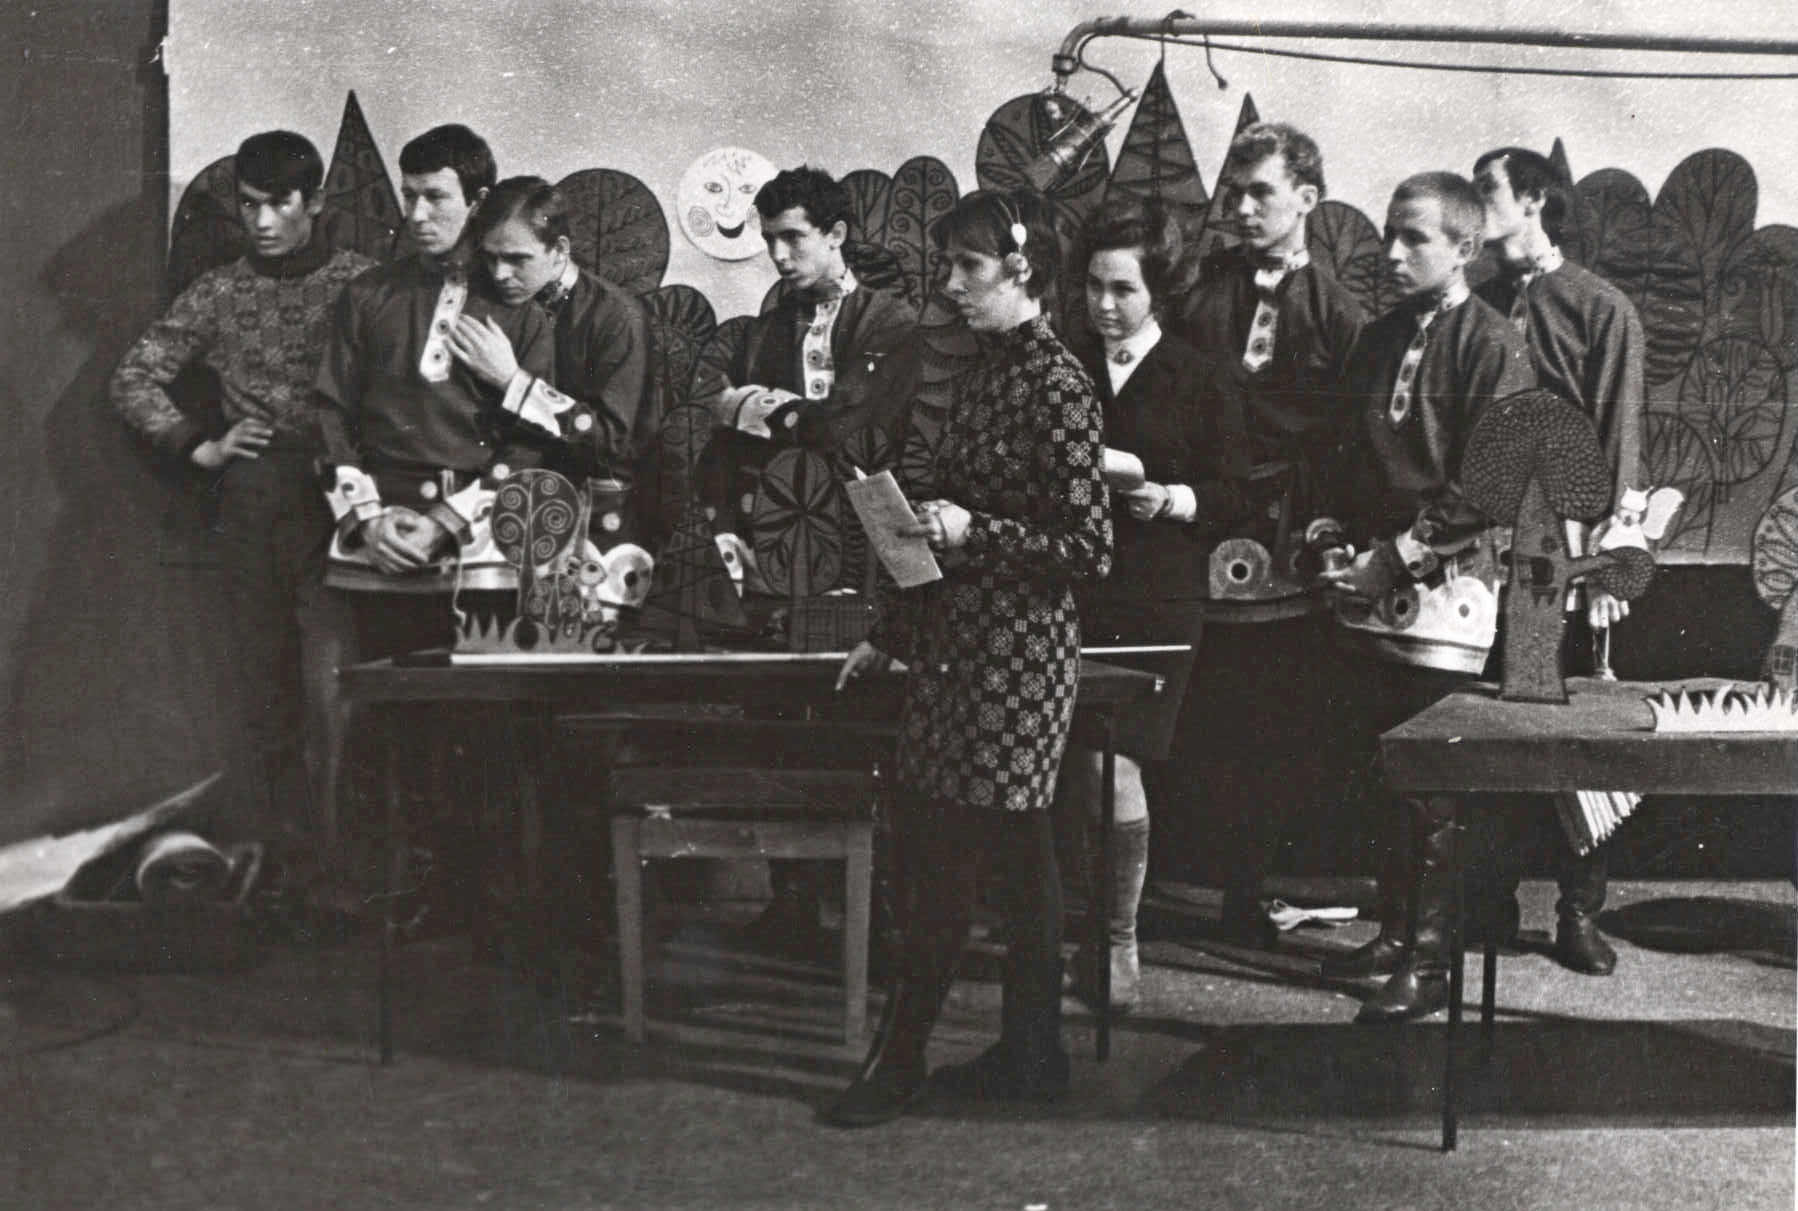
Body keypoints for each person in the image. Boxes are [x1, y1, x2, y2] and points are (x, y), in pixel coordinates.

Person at [824, 189, 1112, 1125]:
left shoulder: (1059, 383)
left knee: (953, 854)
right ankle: (1034, 1055)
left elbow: (1089, 548)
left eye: (968, 267)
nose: (950, 284)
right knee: (1018, 858)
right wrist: (890, 635)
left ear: (1022, 271)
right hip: (962, 647)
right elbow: (945, 521)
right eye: (948, 265)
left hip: (1018, 659)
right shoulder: (988, 371)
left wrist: (971, 528)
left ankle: (900, 1061)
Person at [109, 129, 374, 886]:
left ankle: (342, 871)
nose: (262, 221)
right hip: (254, 504)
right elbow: (133, 378)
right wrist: (198, 445)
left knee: (336, 692)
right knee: (266, 695)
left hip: (342, 503)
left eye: (279, 203)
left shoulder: (362, 284)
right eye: (249, 205)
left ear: (315, 202)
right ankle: (283, 874)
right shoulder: (219, 292)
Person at [312, 124, 553, 938]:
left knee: (485, 724)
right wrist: (367, 519)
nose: (417, 213)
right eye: (408, 195)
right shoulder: (368, 297)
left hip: (480, 547)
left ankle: (495, 902)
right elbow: (330, 414)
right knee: (397, 725)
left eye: (436, 196)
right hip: (380, 547)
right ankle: (419, 893)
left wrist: (451, 519)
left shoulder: (519, 307)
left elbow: (533, 442)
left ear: (477, 201)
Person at [1316, 172, 1532, 1023]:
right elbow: (1345, 450)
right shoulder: (1380, 338)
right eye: (1389, 234)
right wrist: (1338, 539)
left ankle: (1432, 957)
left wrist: (1401, 556)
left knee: (1432, 783)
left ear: (1466, 248)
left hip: (1448, 586)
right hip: (1373, 580)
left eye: (1414, 238)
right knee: (1383, 770)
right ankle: (1395, 931)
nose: (1392, 252)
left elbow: (1492, 478)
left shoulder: (1494, 344)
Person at [692, 166, 921, 954]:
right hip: (786, 544)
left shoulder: (890, 321)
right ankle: (793, 904)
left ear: (837, 235)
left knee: (869, 727)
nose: (780, 255)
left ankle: (880, 919)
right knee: (783, 720)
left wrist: (754, 405)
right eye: (771, 241)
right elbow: (728, 434)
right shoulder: (768, 326)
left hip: (871, 544)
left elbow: (847, 426)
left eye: (794, 238)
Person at [1170, 122, 1366, 942]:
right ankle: (1179, 889)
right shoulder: (1202, 292)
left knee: (1268, 724)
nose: (1243, 209)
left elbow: (1349, 437)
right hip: (1201, 526)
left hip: (1288, 540)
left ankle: (1247, 893)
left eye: (1262, 193)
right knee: (1200, 718)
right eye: (1236, 194)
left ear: (1307, 198)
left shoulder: (1340, 313)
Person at [1058, 195, 1252, 1012]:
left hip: (1158, 594)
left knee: (1114, 764)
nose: (1105, 305)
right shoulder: (1064, 365)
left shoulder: (1201, 376)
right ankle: (1083, 933)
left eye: (1123, 290)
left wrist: (1169, 498)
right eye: (1094, 287)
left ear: (1158, 292)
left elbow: (1236, 493)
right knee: (1075, 768)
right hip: (1070, 588)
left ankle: (1117, 943)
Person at [1471, 145, 1649, 976]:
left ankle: (1579, 911)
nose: (1476, 205)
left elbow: (1622, 433)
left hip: (1567, 551)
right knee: (1487, 723)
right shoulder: (1475, 306)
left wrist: (1614, 553)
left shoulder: (1601, 308)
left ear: (1534, 200)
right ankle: (1488, 902)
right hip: (1482, 546)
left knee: (1576, 731)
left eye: (1489, 191)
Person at [465, 175, 653, 498]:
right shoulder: (487, 298)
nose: (500, 274)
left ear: (560, 249)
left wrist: (513, 383)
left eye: (517, 259)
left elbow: (611, 442)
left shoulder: (618, 318)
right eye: (491, 257)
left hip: (583, 500)